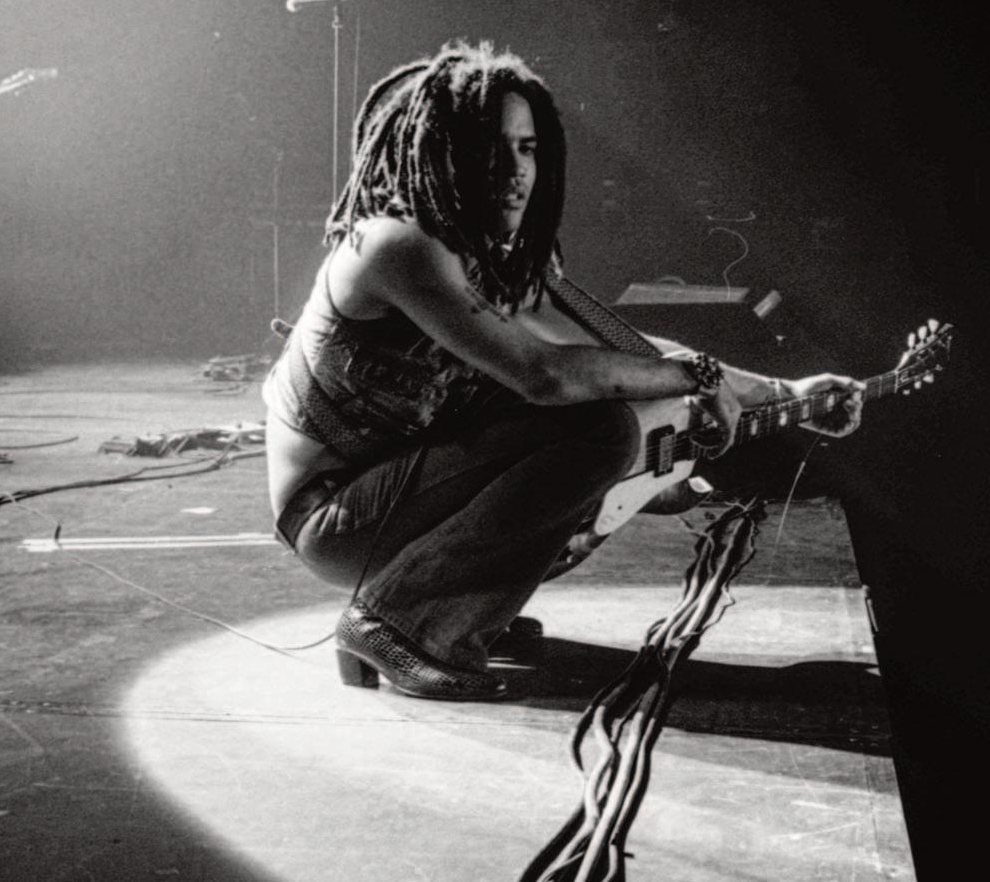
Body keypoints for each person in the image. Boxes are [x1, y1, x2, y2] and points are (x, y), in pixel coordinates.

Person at [262, 39, 864, 701]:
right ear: (440, 153)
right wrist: (696, 379)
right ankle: (400, 623)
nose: (515, 171)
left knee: (607, 416)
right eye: (489, 149)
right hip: (335, 519)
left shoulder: (496, 257)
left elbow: (629, 351)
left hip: (403, 491)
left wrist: (782, 391)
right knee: (594, 427)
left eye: (526, 148)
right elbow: (544, 375)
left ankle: (460, 610)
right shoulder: (395, 244)